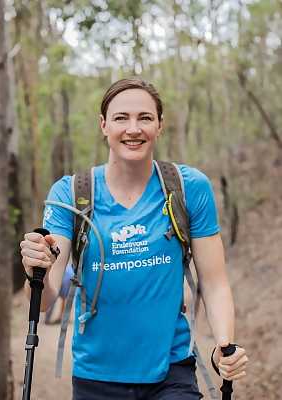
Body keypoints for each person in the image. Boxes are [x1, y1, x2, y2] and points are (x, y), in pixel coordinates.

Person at [20, 77, 248, 400]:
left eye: (144, 118)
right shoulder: (71, 194)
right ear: (103, 125)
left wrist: (224, 347)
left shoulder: (188, 188)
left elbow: (214, 283)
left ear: (160, 125)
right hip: (95, 378)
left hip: (171, 374)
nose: (133, 128)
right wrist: (35, 271)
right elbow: (44, 299)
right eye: (121, 118)